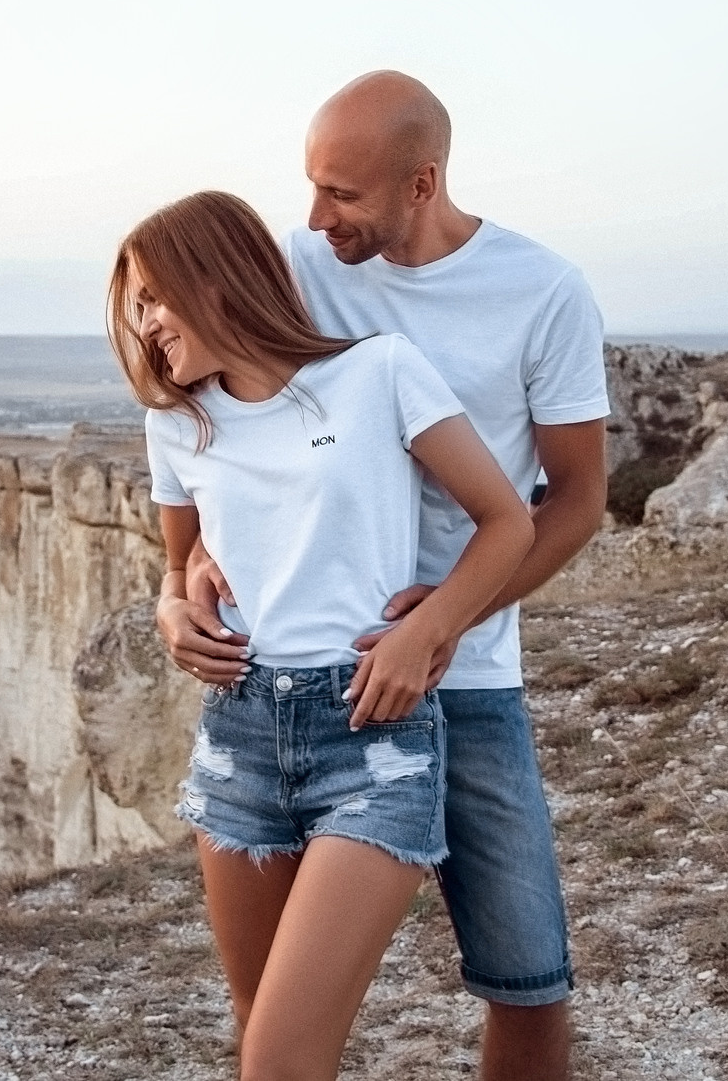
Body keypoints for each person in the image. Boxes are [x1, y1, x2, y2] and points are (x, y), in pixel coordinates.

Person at [156, 72, 610, 1081]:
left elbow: (574, 500)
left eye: (342, 195)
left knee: (526, 972)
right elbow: (217, 441)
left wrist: (441, 621)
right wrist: (179, 581)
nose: (315, 220)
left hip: (469, 674)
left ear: (422, 181)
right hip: (303, 683)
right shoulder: (298, 265)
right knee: (272, 1017)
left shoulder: (542, 290)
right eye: (310, 187)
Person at [111, 190, 535, 1081]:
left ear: (216, 279)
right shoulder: (176, 422)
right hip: (240, 734)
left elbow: (507, 520)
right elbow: (178, 570)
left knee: (279, 1057)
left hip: (371, 735)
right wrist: (171, 609)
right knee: (256, 1024)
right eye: (135, 305)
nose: (145, 323)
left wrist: (430, 627)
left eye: (153, 295)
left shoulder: (379, 371)